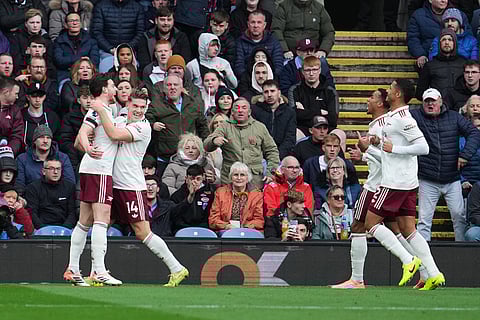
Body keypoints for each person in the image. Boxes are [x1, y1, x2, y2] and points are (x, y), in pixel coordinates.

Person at [89, 88, 190, 287]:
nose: (139, 110)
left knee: (142, 231)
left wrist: (101, 110)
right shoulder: (120, 120)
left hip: (131, 186)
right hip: (114, 184)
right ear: (127, 105)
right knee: (101, 225)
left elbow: (113, 134)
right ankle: (96, 272)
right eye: (135, 106)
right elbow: (106, 133)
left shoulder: (143, 128)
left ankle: (177, 268)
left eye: (143, 107)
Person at [364, 79, 445, 291]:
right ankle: (434, 274)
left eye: (390, 89)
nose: (387, 92)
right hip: (406, 182)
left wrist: (393, 149)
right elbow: (391, 143)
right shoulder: (393, 117)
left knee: (370, 223)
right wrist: (375, 143)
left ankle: (408, 260)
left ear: (398, 94)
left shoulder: (404, 118)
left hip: (395, 182)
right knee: (409, 229)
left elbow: (423, 147)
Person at [64, 75, 121, 286]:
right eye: (113, 85)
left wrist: (87, 149)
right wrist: (89, 150)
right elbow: (83, 134)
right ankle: (98, 270)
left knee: (84, 221)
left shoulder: (103, 109)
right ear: (105, 89)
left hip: (91, 169)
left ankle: (73, 269)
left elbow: (82, 135)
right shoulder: (99, 109)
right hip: (99, 170)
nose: (115, 88)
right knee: (101, 219)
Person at [410, 88, 480, 241]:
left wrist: (465, 155)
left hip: (452, 178)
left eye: (433, 101)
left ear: (440, 101)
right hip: (427, 178)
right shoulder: (415, 116)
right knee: (424, 221)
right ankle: (423, 259)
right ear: (422, 103)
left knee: (459, 218)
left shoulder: (454, 117)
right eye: (427, 101)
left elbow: (474, 133)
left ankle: (462, 254)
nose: (430, 104)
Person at [204, 97, 280, 187]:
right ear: (232, 112)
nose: (240, 110)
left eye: (244, 108)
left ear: (249, 112)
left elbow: (272, 151)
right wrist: (213, 141)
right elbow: (206, 145)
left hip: (254, 181)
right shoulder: (224, 126)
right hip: (230, 180)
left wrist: (270, 172)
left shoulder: (260, 127)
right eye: (237, 108)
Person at [146, 74, 209, 177]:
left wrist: (206, 146)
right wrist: (152, 125)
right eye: (169, 85)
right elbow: (145, 120)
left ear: (181, 87)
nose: (172, 87)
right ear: (164, 88)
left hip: (190, 158)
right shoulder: (156, 104)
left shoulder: (193, 104)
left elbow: (202, 126)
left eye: (175, 84)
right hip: (165, 158)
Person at [407, 0, 470, 69]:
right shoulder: (418, 15)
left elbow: (469, 37)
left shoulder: (459, 14)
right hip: (430, 59)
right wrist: (420, 54)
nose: (443, 1)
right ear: (430, 1)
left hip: (457, 59)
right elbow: (413, 38)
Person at [91, 0, 145, 72]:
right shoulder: (101, 6)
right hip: (107, 52)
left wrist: (127, 48)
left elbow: (140, 32)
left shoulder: (137, 7)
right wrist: (110, 49)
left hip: (130, 51)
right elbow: (97, 32)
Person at [288, 56, 338, 135]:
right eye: (308, 70)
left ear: (320, 70)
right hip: (303, 129)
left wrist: (304, 112)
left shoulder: (330, 91)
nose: (311, 73)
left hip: (325, 129)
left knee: (340, 134)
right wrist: (320, 112)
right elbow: (293, 116)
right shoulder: (294, 90)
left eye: (314, 69)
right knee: (295, 133)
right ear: (302, 72)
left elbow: (333, 119)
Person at [208, 162, 264, 232]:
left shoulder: (257, 195)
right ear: (231, 177)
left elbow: (259, 220)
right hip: (226, 231)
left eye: (242, 175)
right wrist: (226, 226)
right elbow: (213, 219)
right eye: (236, 175)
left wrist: (245, 227)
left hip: (248, 231)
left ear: (247, 178)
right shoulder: (220, 192)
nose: (239, 178)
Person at [25, 158, 77, 230]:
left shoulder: (70, 187)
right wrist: (42, 229)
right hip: (40, 229)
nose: (55, 172)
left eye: (58, 169)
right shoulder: (33, 188)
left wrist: (65, 229)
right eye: (51, 169)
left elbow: (72, 212)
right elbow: (32, 212)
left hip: (65, 229)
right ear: (43, 171)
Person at [416, 28, 467, 100]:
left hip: (460, 105)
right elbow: (420, 93)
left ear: (454, 43)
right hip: (438, 106)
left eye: (450, 40)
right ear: (439, 43)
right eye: (444, 40)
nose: (446, 42)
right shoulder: (430, 65)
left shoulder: (464, 63)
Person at [137, 6, 191, 72]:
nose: (166, 23)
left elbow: (184, 61)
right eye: (162, 20)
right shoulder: (146, 37)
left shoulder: (181, 37)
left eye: (169, 20)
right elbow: (144, 63)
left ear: (173, 21)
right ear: (156, 21)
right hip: (152, 74)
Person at [251, 79, 296, 159]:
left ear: (279, 93)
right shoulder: (255, 110)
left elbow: (290, 139)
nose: (269, 95)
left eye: (272, 91)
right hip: (260, 155)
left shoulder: (289, 112)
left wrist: (276, 156)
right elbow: (254, 136)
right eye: (266, 92)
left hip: (283, 155)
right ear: (262, 94)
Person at [52, 11, 99, 84]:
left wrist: (80, 66)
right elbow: (59, 61)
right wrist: (79, 59)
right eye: (71, 21)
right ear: (66, 25)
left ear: (80, 23)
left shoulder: (91, 41)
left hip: (87, 76)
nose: (74, 23)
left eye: (77, 20)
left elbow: (95, 61)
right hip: (65, 75)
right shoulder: (59, 41)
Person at [235, 10, 284, 78]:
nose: (256, 25)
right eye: (253, 22)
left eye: (259, 22)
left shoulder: (273, 40)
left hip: (270, 79)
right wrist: (252, 79)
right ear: (248, 24)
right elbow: (239, 66)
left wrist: (268, 78)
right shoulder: (240, 41)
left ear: (264, 25)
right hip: (247, 80)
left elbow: (278, 64)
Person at [170, 164, 215, 233]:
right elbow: (173, 215)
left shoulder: (211, 193)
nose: (195, 182)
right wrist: (190, 197)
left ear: (203, 178)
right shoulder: (177, 195)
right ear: (186, 179)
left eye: (198, 179)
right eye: (191, 179)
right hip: (183, 229)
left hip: (204, 229)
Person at [59, 85, 91, 176]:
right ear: (78, 100)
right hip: (75, 158)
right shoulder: (69, 117)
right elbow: (64, 141)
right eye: (85, 98)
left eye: (91, 98)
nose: (88, 101)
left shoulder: (100, 116)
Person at [9, 9, 52, 75]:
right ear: (26, 24)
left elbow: (50, 61)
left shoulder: (46, 39)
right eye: (32, 22)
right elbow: (16, 60)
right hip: (22, 72)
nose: (35, 25)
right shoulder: (17, 38)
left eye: (38, 22)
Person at [0, 76, 23, 157]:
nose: (17, 97)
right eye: (16, 93)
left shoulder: (15, 110)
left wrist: (9, 152)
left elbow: (17, 136)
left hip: (6, 154)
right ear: (6, 92)